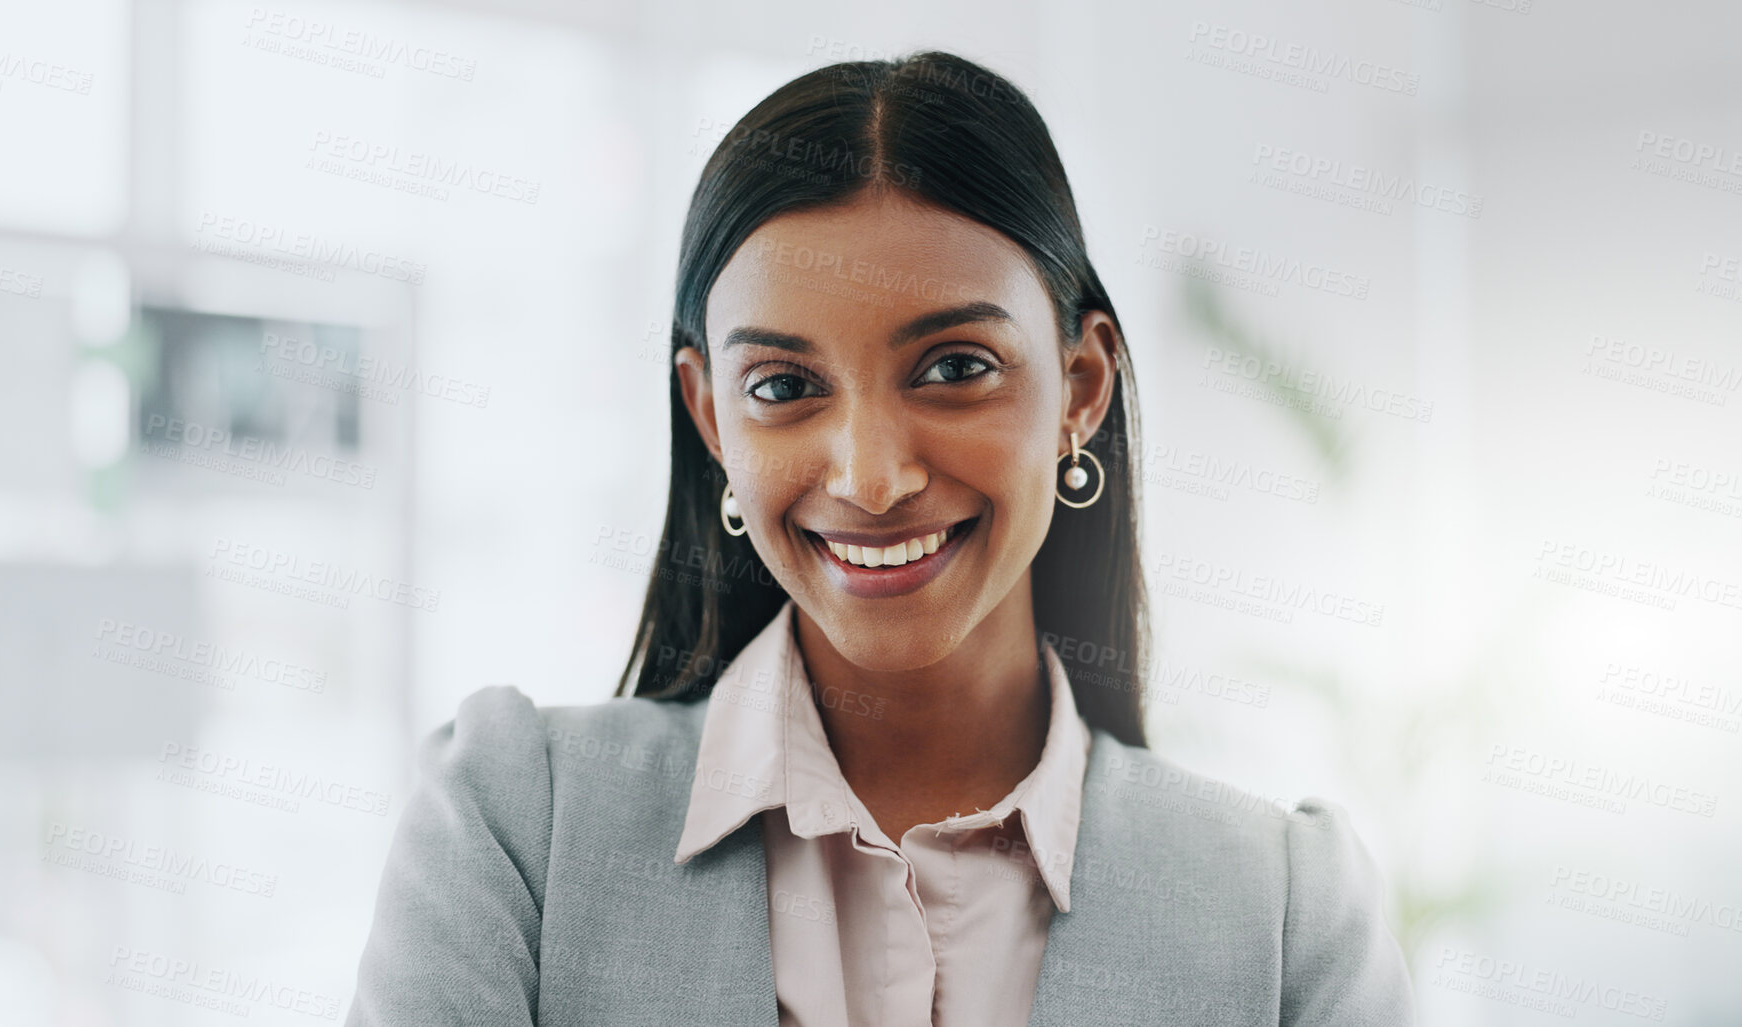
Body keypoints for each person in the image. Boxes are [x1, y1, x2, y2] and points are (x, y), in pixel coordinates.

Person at [346, 50, 1416, 1026]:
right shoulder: (517, 831)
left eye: (954, 367)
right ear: (712, 415)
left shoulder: (1284, 914)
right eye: (783, 386)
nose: (870, 475)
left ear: (1080, 389)